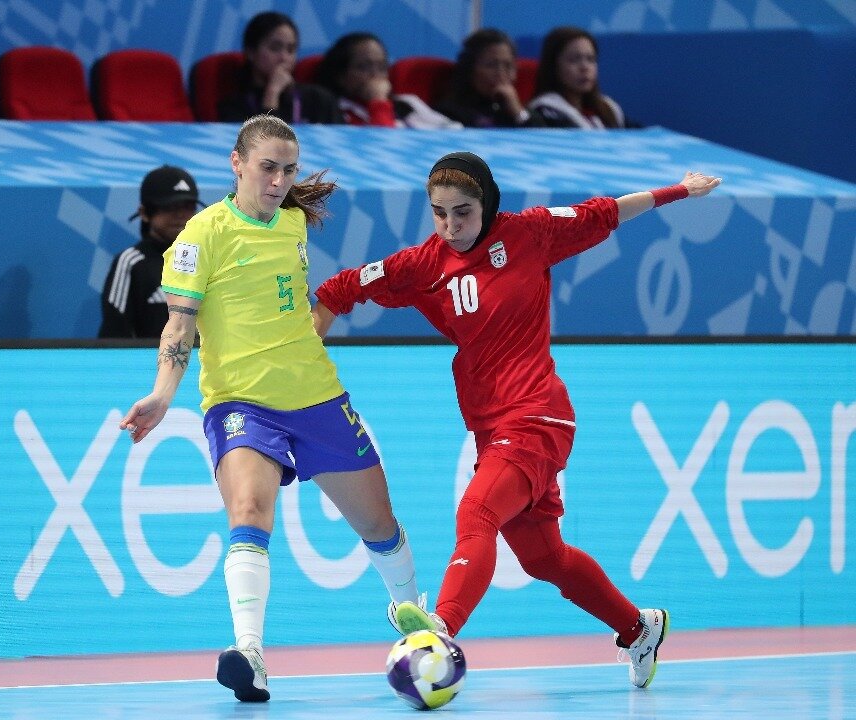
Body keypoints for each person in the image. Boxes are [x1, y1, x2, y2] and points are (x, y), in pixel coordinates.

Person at [314, 151, 721, 689]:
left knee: (477, 512)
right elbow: (339, 289)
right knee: (543, 557)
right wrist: (306, 347)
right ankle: (638, 628)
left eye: (463, 212)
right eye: (439, 213)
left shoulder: (529, 234)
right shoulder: (424, 265)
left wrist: (681, 190)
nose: (451, 225)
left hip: (538, 415)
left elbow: (606, 212)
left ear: (487, 204)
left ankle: (440, 629)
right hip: (491, 427)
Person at [118, 115, 423, 703]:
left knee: (378, 526)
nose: (279, 181)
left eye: (288, 170)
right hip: (240, 401)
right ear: (236, 164)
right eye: (267, 168)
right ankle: (251, 654)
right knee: (250, 510)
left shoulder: (293, 222)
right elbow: (179, 326)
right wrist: (161, 394)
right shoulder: (200, 237)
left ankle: (415, 619)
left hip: (315, 395)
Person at [99, 166, 202, 338]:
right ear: (144, 213)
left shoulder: (210, 259)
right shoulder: (131, 263)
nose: (181, 215)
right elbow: (115, 333)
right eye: (169, 207)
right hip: (149, 357)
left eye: (188, 206)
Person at [313, 32, 461, 129]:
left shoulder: (408, 103)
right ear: (341, 76)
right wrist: (378, 102)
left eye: (382, 66)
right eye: (363, 67)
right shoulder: (334, 112)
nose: (375, 74)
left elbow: (453, 131)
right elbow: (381, 145)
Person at [217, 11, 342, 124]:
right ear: (251, 52)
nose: (284, 57)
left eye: (291, 50)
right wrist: (272, 93)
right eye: (275, 48)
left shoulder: (320, 100)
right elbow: (268, 141)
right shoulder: (234, 108)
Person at [528, 26, 636, 129]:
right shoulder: (545, 112)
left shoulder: (608, 109)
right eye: (574, 60)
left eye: (591, 59)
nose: (585, 67)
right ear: (553, 66)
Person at [436, 28, 547, 128]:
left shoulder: (518, 111)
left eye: (508, 66)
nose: (501, 73)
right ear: (469, 69)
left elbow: (542, 137)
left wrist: (518, 113)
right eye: (491, 65)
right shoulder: (451, 113)